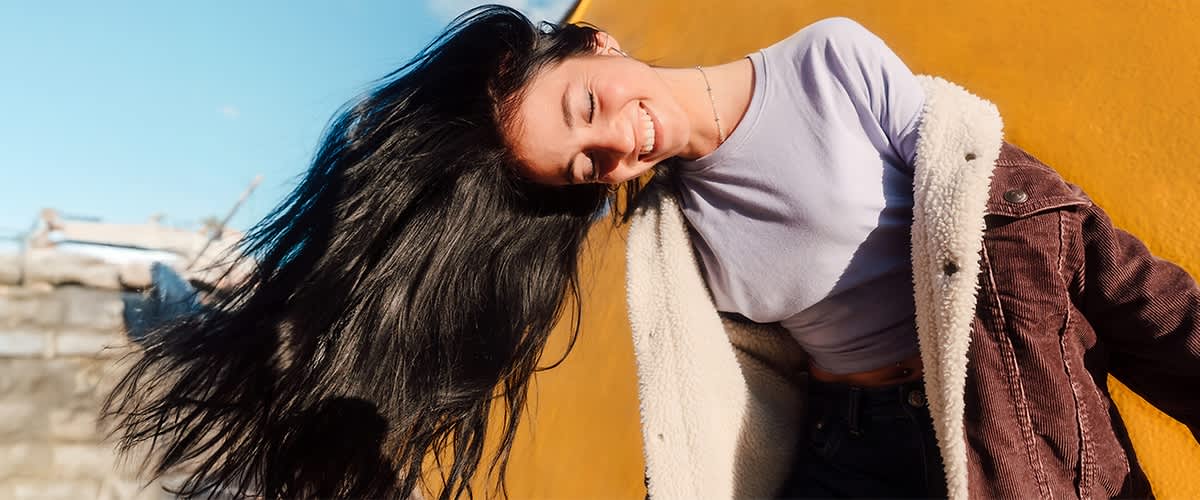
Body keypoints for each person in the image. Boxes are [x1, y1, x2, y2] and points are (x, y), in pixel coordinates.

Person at [102, 5, 1200, 499]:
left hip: (1000, 416)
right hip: (850, 454)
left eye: (588, 104)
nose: (618, 142)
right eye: (585, 164)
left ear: (597, 42)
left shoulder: (831, 65)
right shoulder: (669, 229)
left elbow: (1032, 225)